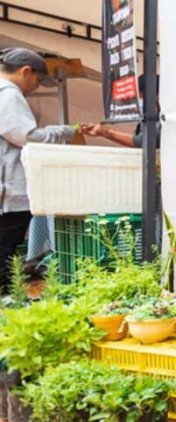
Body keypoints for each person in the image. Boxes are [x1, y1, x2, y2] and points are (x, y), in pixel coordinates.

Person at [0, 48, 78, 288]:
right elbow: (25, 135)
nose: (35, 86)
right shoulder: (9, 95)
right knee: (5, 248)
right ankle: (7, 304)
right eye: (37, 79)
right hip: (8, 190)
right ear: (26, 71)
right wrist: (63, 131)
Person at [83, 75, 160, 148]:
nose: (142, 101)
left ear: (156, 94)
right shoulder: (152, 114)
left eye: (143, 97)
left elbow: (141, 141)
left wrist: (106, 132)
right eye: (140, 97)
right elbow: (136, 138)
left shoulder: (163, 119)